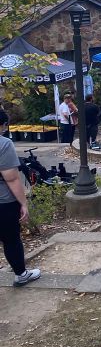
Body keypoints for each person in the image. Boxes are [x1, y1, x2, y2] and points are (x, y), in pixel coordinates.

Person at [0, 109, 41, 287]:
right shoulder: (4, 144)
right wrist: (23, 203)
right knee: (11, 239)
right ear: (2, 125)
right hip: (3, 202)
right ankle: (21, 274)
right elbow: (12, 177)